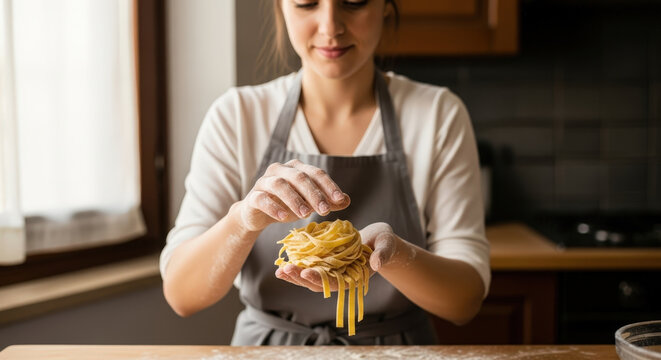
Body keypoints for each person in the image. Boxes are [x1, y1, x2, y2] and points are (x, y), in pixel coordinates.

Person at [160, 0, 490, 346]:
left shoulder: (437, 114)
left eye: (354, 2)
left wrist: (393, 256)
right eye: (306, 4)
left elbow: (464, 302)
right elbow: (183, 294)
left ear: (385, 7)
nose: (331, 27)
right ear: (281, 7)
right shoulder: (237, 116)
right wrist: (243, 220)